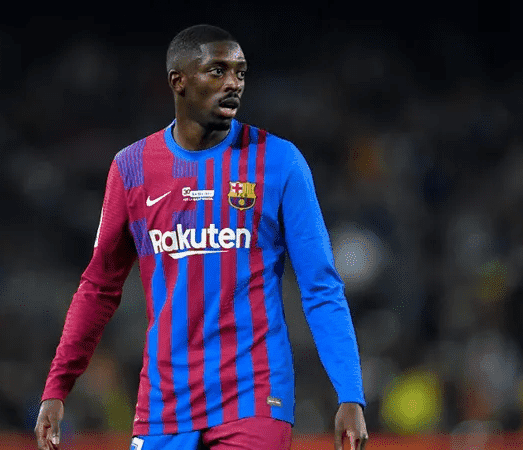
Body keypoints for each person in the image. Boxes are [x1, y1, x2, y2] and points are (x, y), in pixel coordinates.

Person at [34, 24, 368, 450]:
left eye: (240, 73)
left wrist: (350, 393)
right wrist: (57, 387)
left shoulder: (279, 161)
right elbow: (99, 286)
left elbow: (321, 286)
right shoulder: (131, 168)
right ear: (179, 81)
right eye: (217, 71)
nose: (234, 83)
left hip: (254, 397)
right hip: (164, 403)